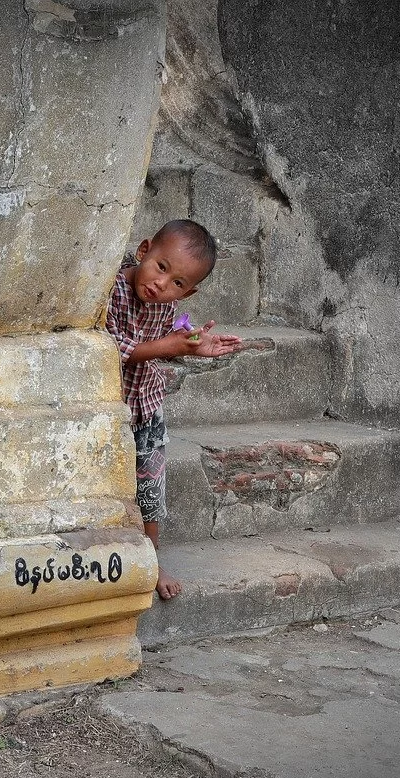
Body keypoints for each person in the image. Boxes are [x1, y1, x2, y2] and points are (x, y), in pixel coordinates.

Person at [105, 219, 243, 600]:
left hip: (146, 409)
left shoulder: (167, 307)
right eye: (161, 267)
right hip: (109, 413)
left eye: (178, 283)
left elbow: (171, 342)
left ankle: (151, 556)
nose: (162, 284)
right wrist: (169, 347)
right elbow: (110, 348)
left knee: (150, 489)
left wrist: (193, 347)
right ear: (144, 250)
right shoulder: (111, 289)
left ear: (190, 291)